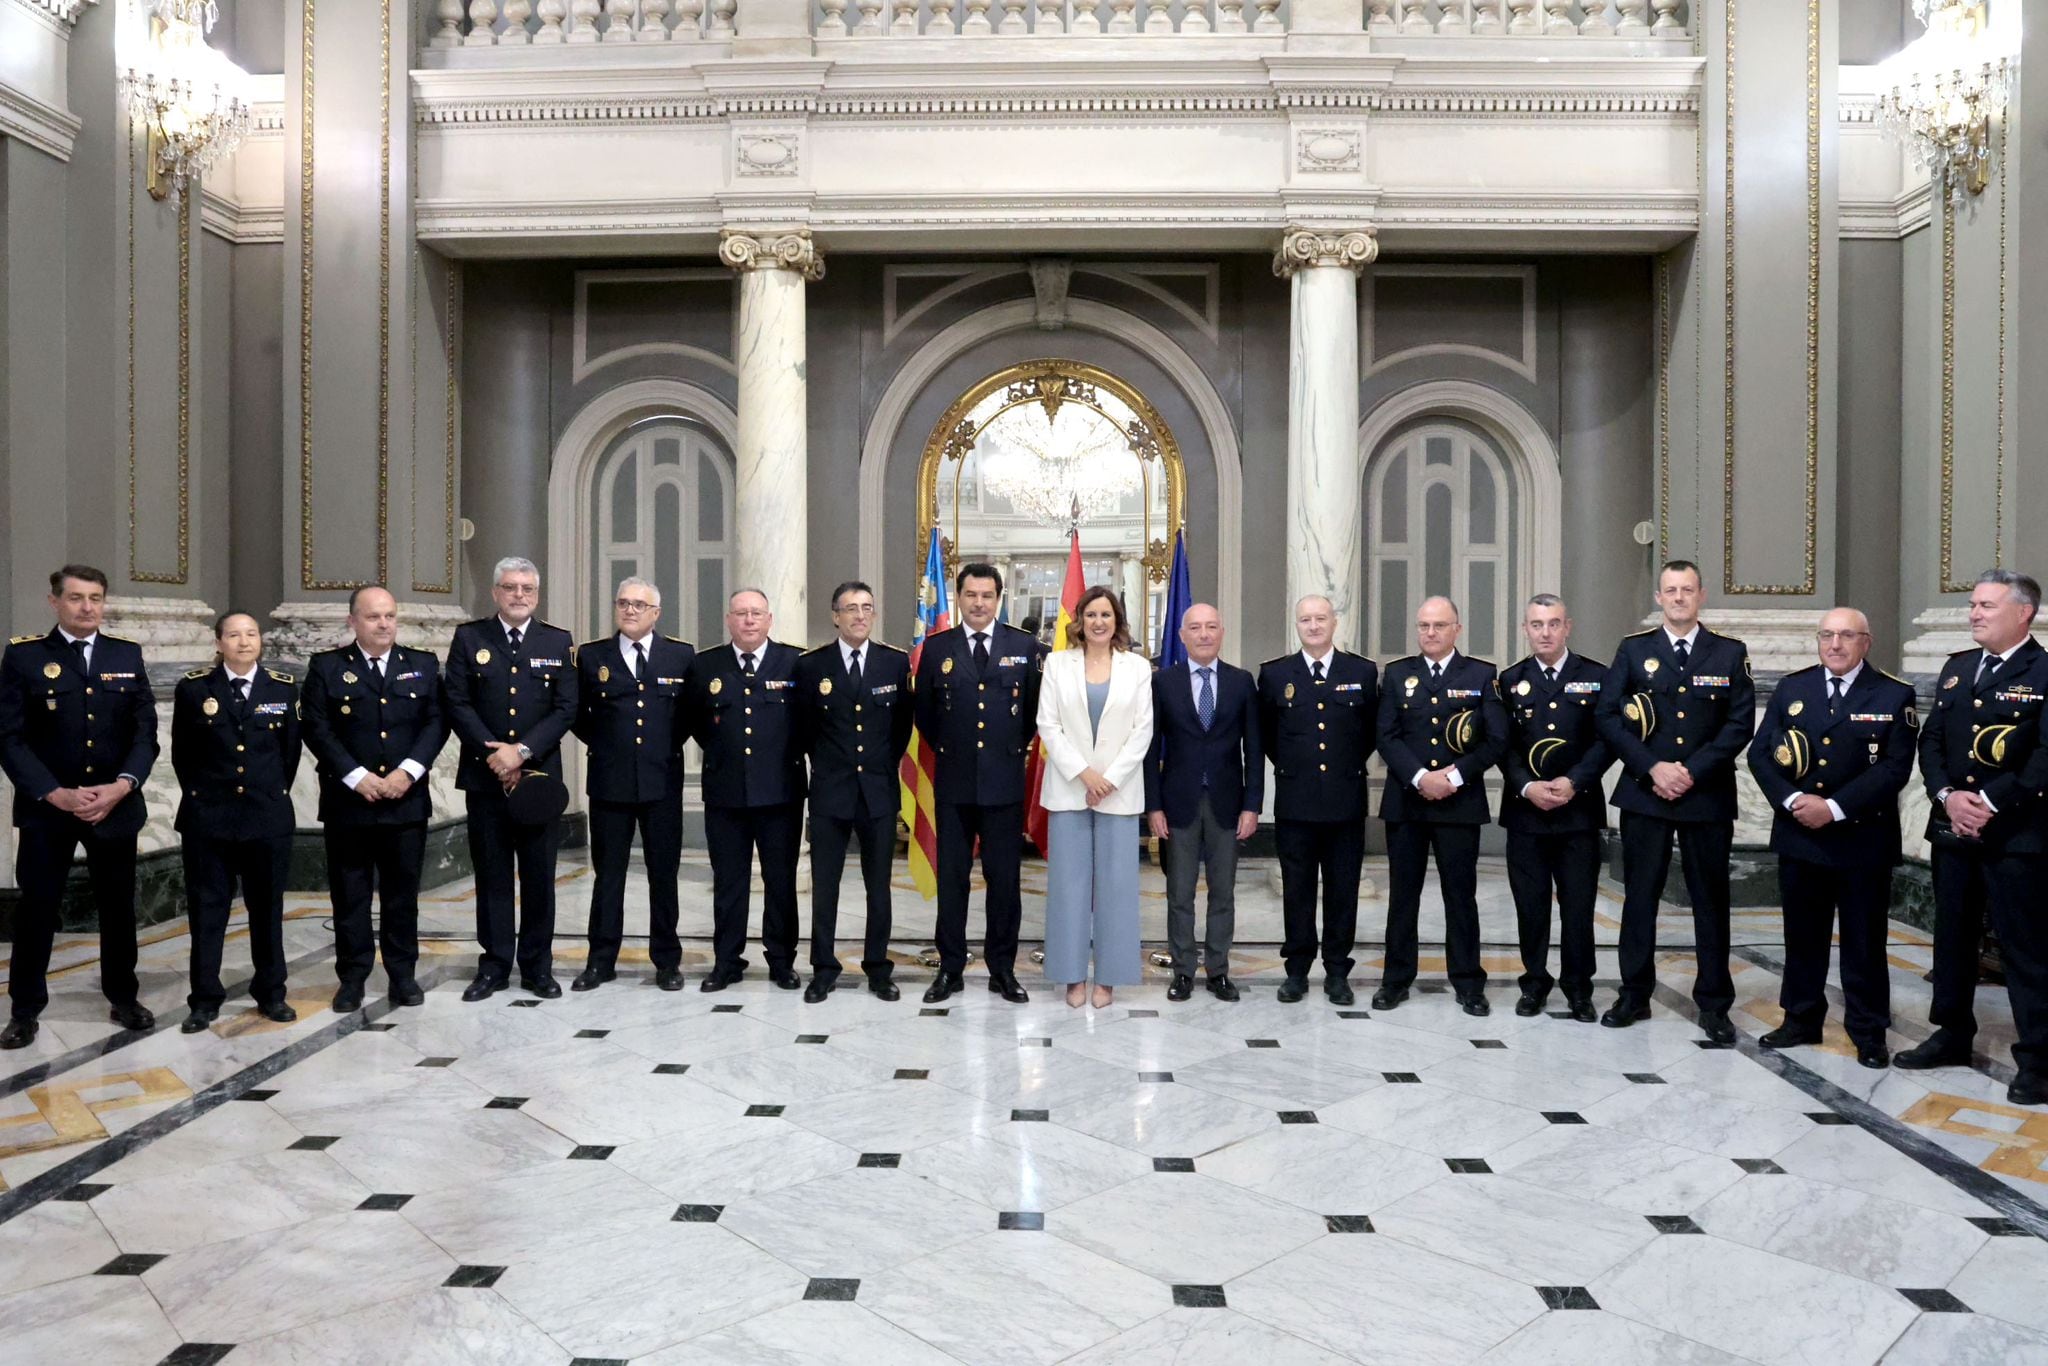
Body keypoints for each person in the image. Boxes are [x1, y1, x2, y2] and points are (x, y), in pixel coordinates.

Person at [1900, 569, 2048, 1107]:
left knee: (2024, 947)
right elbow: (1933, 739)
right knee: (1953, 938)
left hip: (2017, 835)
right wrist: (1946, 796)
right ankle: (1952, 1033)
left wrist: (1986, 802)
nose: (1974, 613)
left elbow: (2043, 759)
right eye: (1972, 605)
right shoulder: (1958, 668)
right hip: (1954, 830)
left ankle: (2038, 1058)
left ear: (2023, 613)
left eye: (1986, 605)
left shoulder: (2044, 671)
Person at [1747, 608, 1917, 1071]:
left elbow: (1893, 769)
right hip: (1800, 832)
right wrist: (1792, 800)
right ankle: (1800, 1018)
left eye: (1846, 636)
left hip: (1862, 838)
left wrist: (1835, 808)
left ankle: (1868, 1030)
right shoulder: (1792, 688)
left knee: (1864, 940)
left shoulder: (1893, 694)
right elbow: (1762, 755)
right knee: (1802, 936)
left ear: (1867, 641)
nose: (1835, 644)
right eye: (1827, 635)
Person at [0, 566, 160, 1048]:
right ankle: (25, 1009)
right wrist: (54, 793)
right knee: (37, 909)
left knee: (117, 908)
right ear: (54, 603)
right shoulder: (25, 656)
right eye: (75, 598)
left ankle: (123, 996)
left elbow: (145, 732)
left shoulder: (125, 654)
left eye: (95, 598)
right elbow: (10, 737)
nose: (87, 607)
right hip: (49, 808)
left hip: (114, 806)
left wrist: (122, 786)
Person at [1595, 559, 1755, 1042]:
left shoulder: (1728, 653)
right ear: (1659, 598)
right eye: (1671, 590)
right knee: (1640, 897)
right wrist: (1653, 767)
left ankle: (1714, 1003)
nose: (1679, 597)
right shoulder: (1633, 650)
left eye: (1687, 590)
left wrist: (1691, 771)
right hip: (1647, 794)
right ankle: (1633, 993)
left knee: (1711, 900)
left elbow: (1739, 723)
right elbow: (1608, 716)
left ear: (1701, 596)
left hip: (1705, 795)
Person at [301, 586, 450, 1014]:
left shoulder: (420, 665)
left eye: (389, 615)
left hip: (405, 801)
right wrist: (355, 776)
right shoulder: (327, 666)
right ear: (352, 622)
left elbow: (436, 723)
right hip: (350, 804)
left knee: (402, 897)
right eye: (373, 617)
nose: (383, 624)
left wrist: (409, 771)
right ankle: (352, 978)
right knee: (350, 896)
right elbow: (316, 726)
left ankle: (403, 975)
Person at [443, 556, 579, 1001]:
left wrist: (520, 752)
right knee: (493, 876)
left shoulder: (557, 641)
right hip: (486, 781)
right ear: (495, 592)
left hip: (537, 780)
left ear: (536, 595)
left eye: (527, 589)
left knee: (540, 876)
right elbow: (457, 702)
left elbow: (566, 708)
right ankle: (495, 965)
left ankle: (538, 967)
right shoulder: (469, 638)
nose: (519, 595)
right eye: (510, 587)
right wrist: (495, 754)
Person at [912, 562, 1047, 1005]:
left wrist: (1003, 753)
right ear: (959, 597)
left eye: (987, 596)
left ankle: (1002, 970)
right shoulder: (937, 648)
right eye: (971, 595)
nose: (979, 603)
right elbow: (927, 716)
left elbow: (1031, 715)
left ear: (998, 599)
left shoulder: (1024, 646)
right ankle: (950, 968)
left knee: (1004, 881)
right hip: (953, 784)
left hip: (1003, 785)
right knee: (952, 880)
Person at [1374, 597, 1507, 1016]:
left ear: (1457, 629)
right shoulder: (1397, 675)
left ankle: (1468, 981)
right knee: (1403, 897)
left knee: (1460, 896)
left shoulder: (1482, 675)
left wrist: (1452, 776)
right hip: (1407, 803)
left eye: (1439, 625)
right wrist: (1420, 778)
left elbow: (1496, 739)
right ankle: (1395, 979)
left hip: (1459, 803)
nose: (1430, 633)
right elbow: (1386, 735)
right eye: (1424, 626)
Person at [170, 613, 302, 1032]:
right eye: (234, 635)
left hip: (266, 818)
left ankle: (272, 993)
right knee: (207, 912)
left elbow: (289, 755)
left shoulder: (282, 688)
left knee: (267, 910)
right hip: (209, 819)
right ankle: (205, 999)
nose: (244, 642)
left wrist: (265, 794)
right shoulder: (194, 688)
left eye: (251, 634)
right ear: (218, 642)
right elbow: (183, 755)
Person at [571, 577, 694, 993]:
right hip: (609, 782)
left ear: (656, 613)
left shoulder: (680, 655)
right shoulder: (591, 656)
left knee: (664, 875)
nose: (630, 610)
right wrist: (613, 748)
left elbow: (687, 718)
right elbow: (578, 716)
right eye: (623, 603)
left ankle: (667, 961)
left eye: (640, 605)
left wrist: (655, 750)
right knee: (608, 877)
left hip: (662, 781)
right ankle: (600, 961)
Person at [794, 581, 914, 1002]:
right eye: (850, 608)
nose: (860, 615)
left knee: (878, 887)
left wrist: (878, 767)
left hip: (878, 793)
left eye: (867, 607)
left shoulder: (894, 664)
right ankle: (823, 967)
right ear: (835, 615)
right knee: (825, 887)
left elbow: (901, 729)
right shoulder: (811, 666)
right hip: (830, 793)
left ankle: (878, 968)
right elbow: (804, 730)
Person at [1038, 586, 1156, 1009]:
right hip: (1070, 789)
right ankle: (1071, 976)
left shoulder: (1138, 668)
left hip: (1119, 793)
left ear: (1117, 621)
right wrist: (1085, 774)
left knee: (1117, 886)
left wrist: (1108, 778)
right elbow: (1048, 725)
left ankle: (1108, 977)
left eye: (1106, 615)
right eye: (1091, 615)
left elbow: (1143, 731)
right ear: (1079, 621)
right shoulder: (1056, 664)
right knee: (1068, 887)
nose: (1099, 622)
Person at [684, 588, 806, 992]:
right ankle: (727, 960)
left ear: (770, 619)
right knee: (729, 882)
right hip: (726, 793)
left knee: (781, 881)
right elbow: (697, 724)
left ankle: (782, 960)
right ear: (728, 620)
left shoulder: (795, 662)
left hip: (781, 793)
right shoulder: (705, 666)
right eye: (741, 613)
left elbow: (808, 725)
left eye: (756, 613)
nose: (749, 620)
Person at [1258, 595, 1377, 1005]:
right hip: (1296, 802)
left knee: (1344, 890)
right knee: (1298, 890)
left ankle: (1337, 971)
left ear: (1334, 622)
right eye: (1305, 619)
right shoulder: (1275, 675)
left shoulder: (1362, 671)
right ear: (1296, 624)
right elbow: (1270, 738)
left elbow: (1369, 733)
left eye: (1320, 618)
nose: (1313, 626)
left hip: (1345, 801)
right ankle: (1296, 970)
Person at [1497, 594, 1612, 1022]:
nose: (1545, 632)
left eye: (1553, 623)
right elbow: (1501, 745)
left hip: (1577, 813)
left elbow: (1606, 739)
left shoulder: (1597, 677)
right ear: (1525, 629)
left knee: (1578, 908)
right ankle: (1534, 983)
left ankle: (1579, 989)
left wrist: (1573, 781)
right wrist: (1526, 786)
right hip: (1526, 814)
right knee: (1531, 906)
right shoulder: (1509, 680)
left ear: (1568, 627)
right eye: (1536, 624)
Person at [1145, 602, 1261, 1003]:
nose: (1204, 634)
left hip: (1229, 803)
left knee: (1223, 892)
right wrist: (1153, 805)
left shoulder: (1242, 682)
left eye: (1212, 626)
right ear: (1182, 635)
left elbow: (1254, 750)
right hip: (1177, 803)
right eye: (1195, 627)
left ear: (1222, 632)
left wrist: (1253, 805)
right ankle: (1182, 971)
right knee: (1178, 893)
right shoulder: (1164, 683)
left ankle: (1218, 970)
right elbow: (1149, 748)